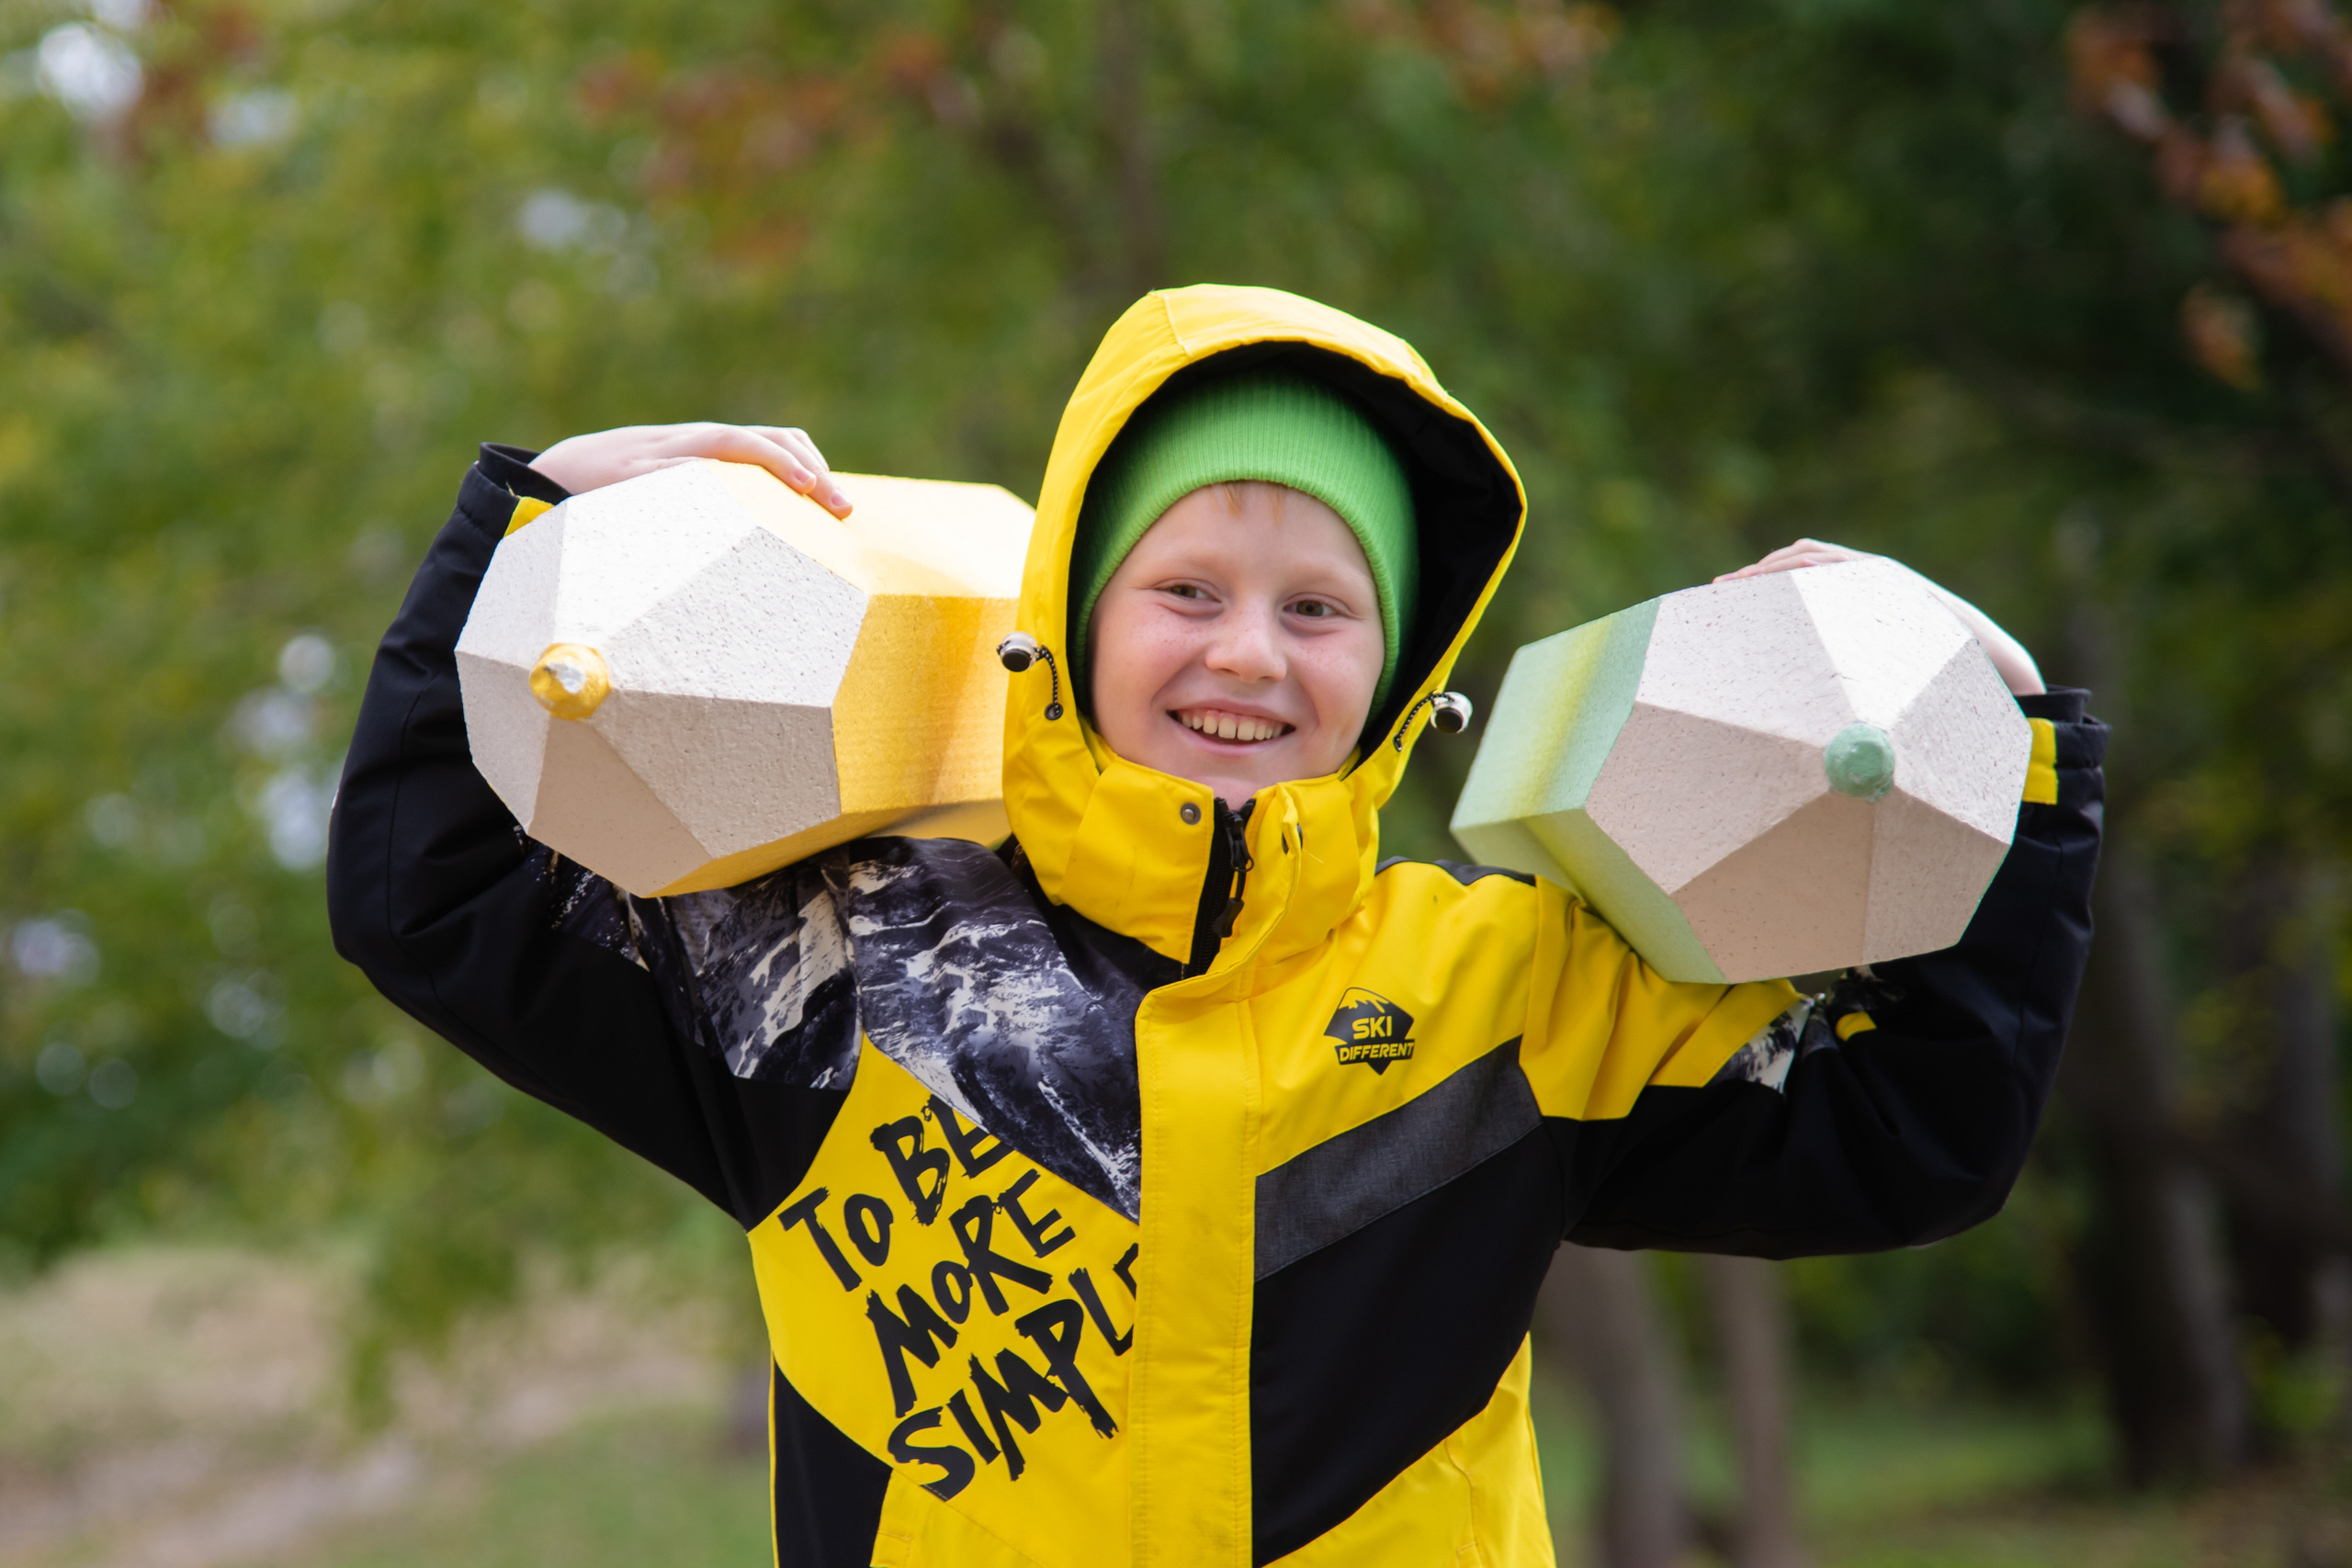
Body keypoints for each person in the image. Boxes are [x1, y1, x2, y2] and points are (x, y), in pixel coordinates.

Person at [328, 285, 2103, 1567]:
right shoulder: (836, 967)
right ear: (1076, 617)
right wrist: (537, 523)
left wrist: (1993, 753)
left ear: (1398, 664)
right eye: (1185, 589)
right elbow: (433, 894)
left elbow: (1913, 1141)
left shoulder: (1520, 990)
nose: (1247, 652)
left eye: (1320, 606)